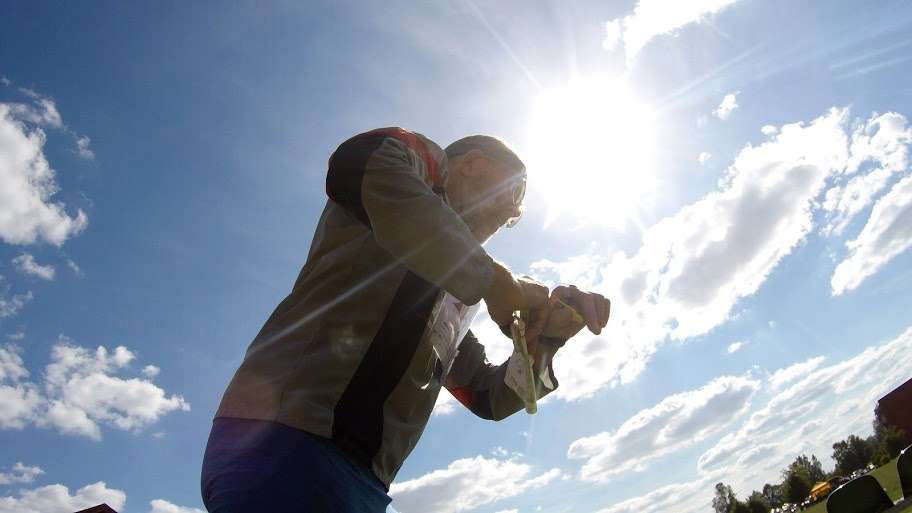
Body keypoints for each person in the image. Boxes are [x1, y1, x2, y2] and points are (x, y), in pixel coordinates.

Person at [200, 127, 610, 513]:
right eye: (513, 191)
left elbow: (487, 397)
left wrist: (547, 342)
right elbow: (361, 157)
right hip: (284, 445)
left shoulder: (456, 296)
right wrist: (501, 285)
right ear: (472, 164)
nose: (513, 212)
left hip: (363, 483)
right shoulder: (410, 164)